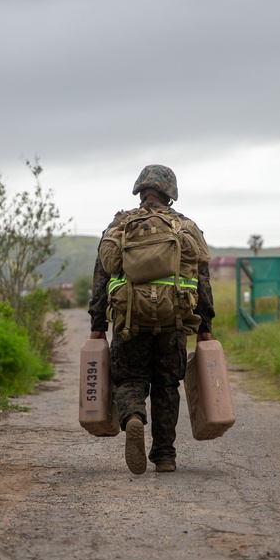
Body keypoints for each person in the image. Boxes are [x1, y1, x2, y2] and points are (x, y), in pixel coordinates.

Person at [88, 164, 215, 475]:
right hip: (174, 321)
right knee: (167, 384)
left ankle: (132, 417)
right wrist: (205, 327)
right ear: (170, 193)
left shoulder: (119, 225)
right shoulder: (184, 226)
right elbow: (202, 279)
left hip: (129, 320)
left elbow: (101, 277)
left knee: (129, 378)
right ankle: (164, 455)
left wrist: (96, 326)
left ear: (140, 190)